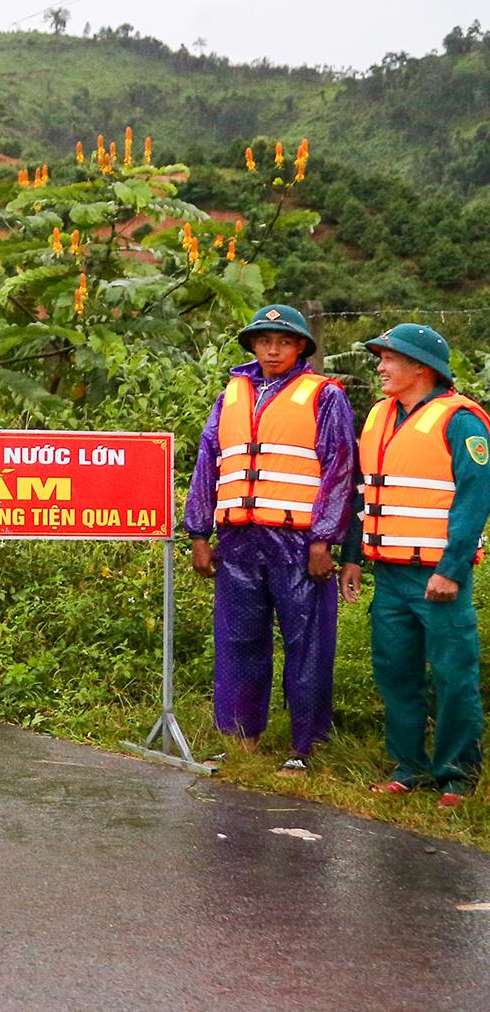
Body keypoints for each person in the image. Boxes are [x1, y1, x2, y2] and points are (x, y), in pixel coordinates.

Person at [182, 304, 356, 771]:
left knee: (307, 645)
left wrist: (323, 539)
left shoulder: (325, 396)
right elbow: (208, 462)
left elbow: (340, 468)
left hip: (298, 542)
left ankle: (307, 747)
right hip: (238, 539)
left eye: (283, 342)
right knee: (238, 641)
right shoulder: (231, 396)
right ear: (253, 346)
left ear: (301, 347)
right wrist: (198, 533)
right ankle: (241, 739)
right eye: (264, 341)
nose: (273, 350)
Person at [347, 323, 488, 807]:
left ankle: (457, 774)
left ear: (421, 368)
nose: (380, 367)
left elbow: (475, 498)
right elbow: (364, 493)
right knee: (395, 672)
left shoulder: (461, 421)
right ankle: (409, 766)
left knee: (453, 674)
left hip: (438, 577)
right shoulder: (378, 416)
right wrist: (352, 557)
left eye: (389, 359)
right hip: (388, 574)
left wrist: (451, 569)